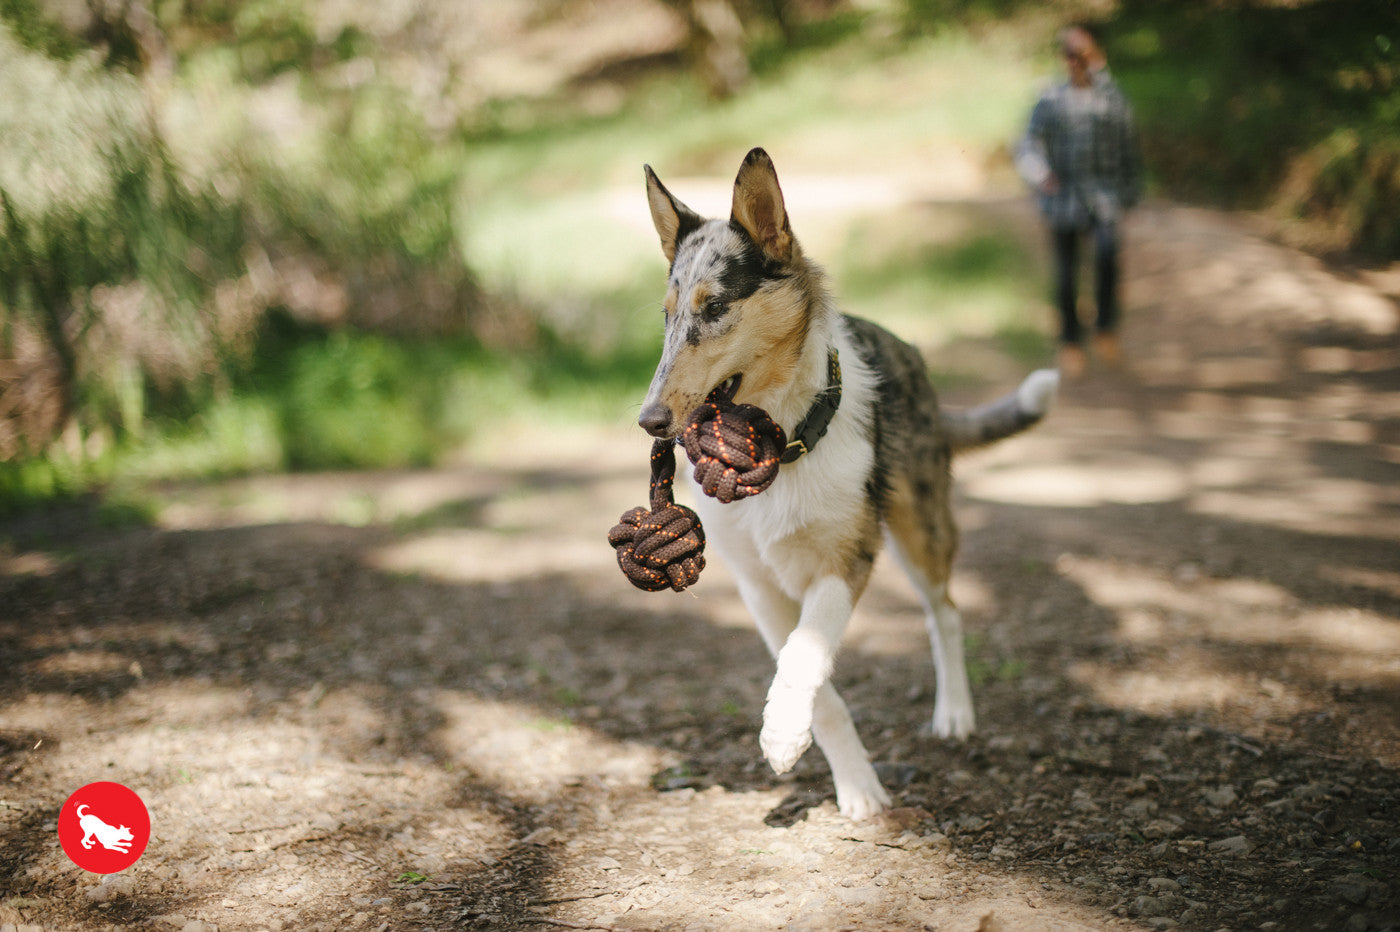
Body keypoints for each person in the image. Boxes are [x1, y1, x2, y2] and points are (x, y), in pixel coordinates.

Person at [1016, 23, 1143, 378]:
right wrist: (1040, 175)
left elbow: (1128, 147)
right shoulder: (1049, 98)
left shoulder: (1111, 97)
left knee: (1107, 261)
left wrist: (1130, 194)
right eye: (1070, 54)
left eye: (1082, 54)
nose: (1076, 61)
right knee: (1067, 274)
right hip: (1064, 199)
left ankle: (1105, 331)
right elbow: (1027, 144)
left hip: (1104, 198)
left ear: (1095, 54)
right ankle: (1070, 342)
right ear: (1062, 58)